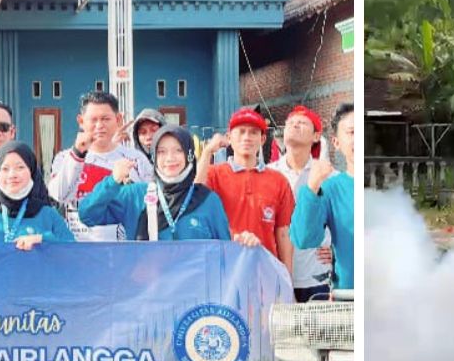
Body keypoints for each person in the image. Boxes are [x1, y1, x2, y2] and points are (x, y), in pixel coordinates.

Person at [289, 102, 356, 361]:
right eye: (352, 132)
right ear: (336, 141)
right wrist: (312, 186)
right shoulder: (331, 187)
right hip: (349, 310)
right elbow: (304, 237)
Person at [269, 105, 336, 361]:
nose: (294, 126)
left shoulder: (327, 175)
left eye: (303, 123)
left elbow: (342, 222)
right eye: (290, 122)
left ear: (316, 136)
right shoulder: (268, 173)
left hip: (315, 271)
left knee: (321, 344)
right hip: (275, 271)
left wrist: (335, 252)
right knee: (272, 343)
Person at [79, 124, 229, 241]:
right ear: (154, 156)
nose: (170, 158)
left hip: (194, 281)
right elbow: (87, 215)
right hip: (146, 280)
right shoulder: (136, 196)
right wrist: (112, 181)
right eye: (162, 152)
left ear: (189, 155)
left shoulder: (208, 201)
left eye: (178, 150)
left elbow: (226, 253)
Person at [197, 107, 296, 269]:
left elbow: (283, 233)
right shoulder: (215, 174)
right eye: (241, 132)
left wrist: (287, 279)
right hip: (225, 269)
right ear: (229, 137)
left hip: (265, 269)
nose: (247, 138)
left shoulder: (278, 180)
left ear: (263, 139)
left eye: (253, 133)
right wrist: (207, 151)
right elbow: (195, 199)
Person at [46, 90, 151, 241]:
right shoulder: (65, 158)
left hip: (122, 254)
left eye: (105, 119)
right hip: (76, 251)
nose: (99, 125)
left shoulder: (136, 160)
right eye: (93, 119)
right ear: (81, 121)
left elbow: (149, 205)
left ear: (118, 119)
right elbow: (59, 195)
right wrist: (78, 153)